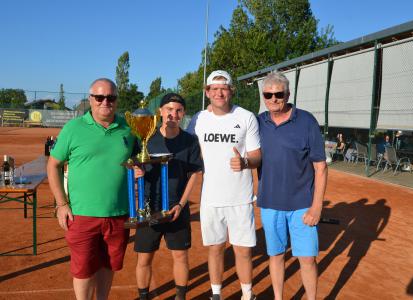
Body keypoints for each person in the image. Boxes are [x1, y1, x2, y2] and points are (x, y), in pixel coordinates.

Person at [47, 78, 136, 300]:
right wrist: (61, 204)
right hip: (82, 214)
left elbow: (137, 158)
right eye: (100, 97)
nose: (105, 101)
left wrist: (137, 165)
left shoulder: (128, 128)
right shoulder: (73, 128)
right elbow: (53, 165)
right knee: (84, 269)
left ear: (116, 100)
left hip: (118, 213)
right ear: (90, 99)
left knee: (109, 265)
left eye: (111, 97)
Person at [187, 70, 261, 300]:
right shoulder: (198, 119)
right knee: (216, 248)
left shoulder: (246, 117)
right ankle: (216, 294)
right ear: (207, 92)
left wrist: (245, 162)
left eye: (224, 87)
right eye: (214, 88)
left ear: (231, 91)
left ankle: (247, 295)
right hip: (210, 199)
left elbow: (257, 156)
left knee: (243, 251)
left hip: (240, 198)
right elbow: (187, 151)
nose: (219, 92)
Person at [257, 72, 327, 300]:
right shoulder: (257, 123)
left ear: (288, 94)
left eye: (279, 94)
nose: (274, 98)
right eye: (269, 94)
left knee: (307, 259)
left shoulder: (306, 121)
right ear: (264, 96)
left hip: (302, 206)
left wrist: (316, 207)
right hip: (269, 204)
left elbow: (320, 168)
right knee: (276, 255)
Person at [134, 93, 203, 300]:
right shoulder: (146, 138)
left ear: (183, 114)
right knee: (144, 258)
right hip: (149, 208)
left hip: (176, 209)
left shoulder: (189, 141)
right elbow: (135, 166)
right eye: (169, 110)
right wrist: (137, 171)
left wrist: (181, 205)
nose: (173, 114)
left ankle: (180, 297)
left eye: (178, 110)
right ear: (160, 112)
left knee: (180, 256)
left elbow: (193, 175)